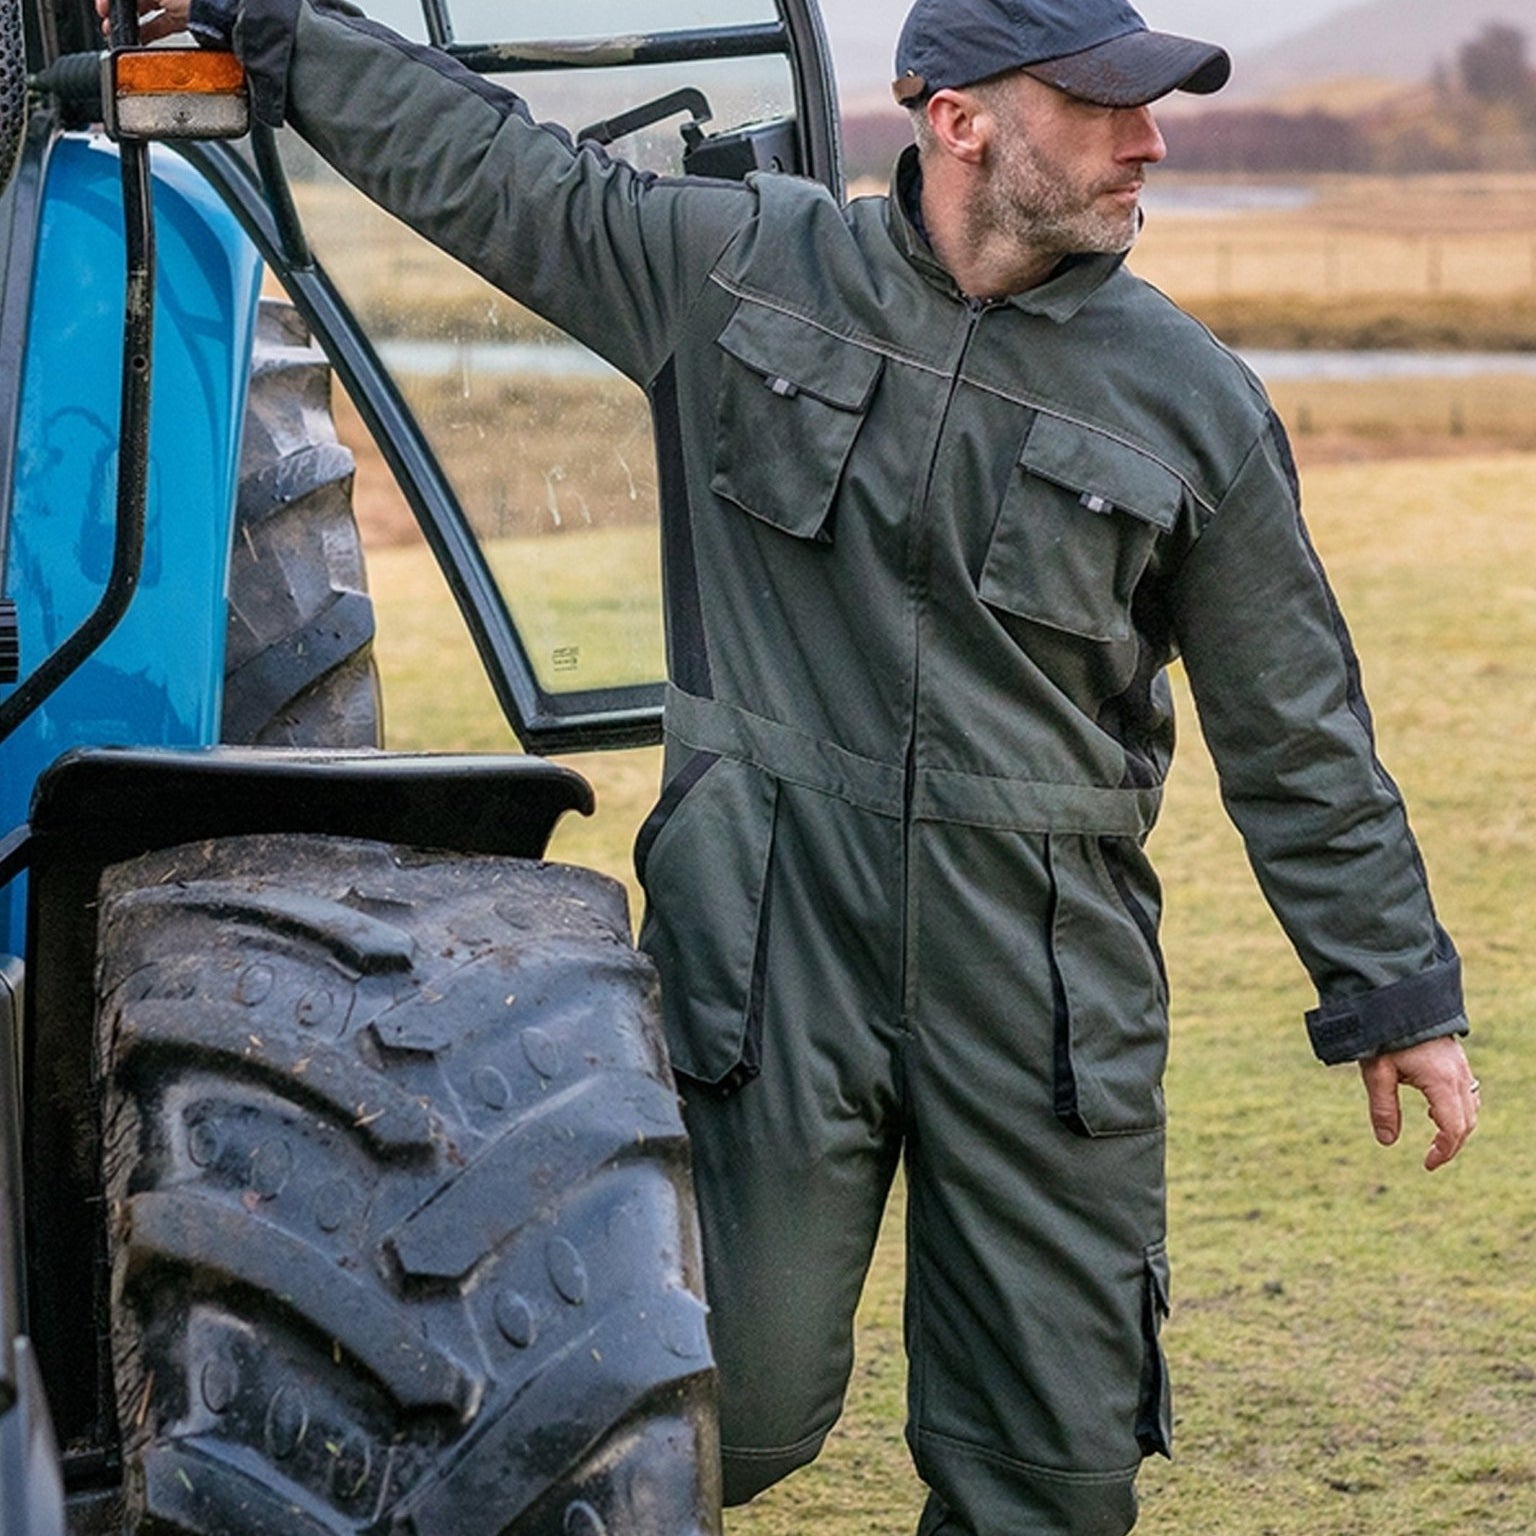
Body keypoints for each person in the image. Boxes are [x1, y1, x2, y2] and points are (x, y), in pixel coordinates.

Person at [113, 0, 1480, 1529]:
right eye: (1103, 106)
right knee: (703, 1396)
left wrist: (1396, 995)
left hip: (1043, 974)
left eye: (1152, 105)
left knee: (1050, 1471)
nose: (1150, 140)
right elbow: (489, 170)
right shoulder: (736, 267)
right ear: (956, 117)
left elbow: (1295, 726)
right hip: (766, 939)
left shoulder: (1194, 404)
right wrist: (278, 30)